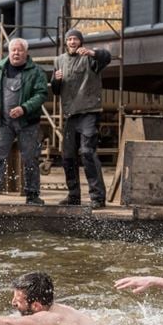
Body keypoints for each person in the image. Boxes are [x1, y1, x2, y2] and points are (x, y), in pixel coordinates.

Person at [0, 38, 49, 205]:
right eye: (13, 50)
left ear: (26, 52)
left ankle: (32, 195)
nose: (16, 53)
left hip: (28, 123)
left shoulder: (36, 72)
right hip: (4, 123)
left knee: (30, 159)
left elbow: (41, 94)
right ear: (9, 52)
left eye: (19, 50)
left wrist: (24, 108)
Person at [51, 28, 112, 208]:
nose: (72, 42)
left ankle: (97, 197)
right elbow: (55, 90)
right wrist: (56, 80)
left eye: (75, 39)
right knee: (68, 156)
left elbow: (106, 57)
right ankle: (73, 196)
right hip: (70, 114)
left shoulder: (90, 58)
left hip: (88, 112)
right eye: (69, 39)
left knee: (87, 152)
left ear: (80, 42)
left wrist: (93, 53)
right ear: (66, 42)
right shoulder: (59, 60)